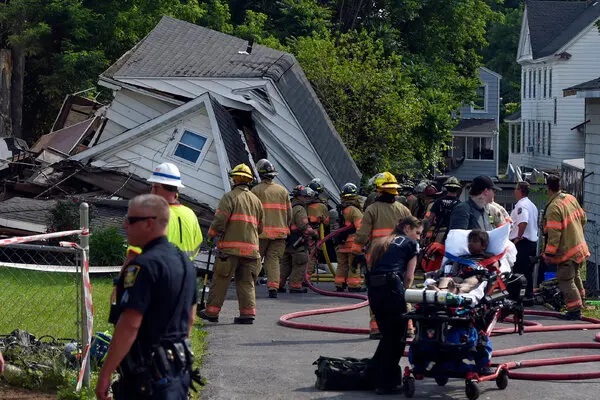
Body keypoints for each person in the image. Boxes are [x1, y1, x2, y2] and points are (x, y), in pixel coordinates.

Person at [96, 194, 198, 400]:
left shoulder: (143, 266)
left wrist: (105, 374)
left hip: (147, 377)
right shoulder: (185, 263)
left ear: (149, 224)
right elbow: (190, 318)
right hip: (177, 373)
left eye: (131, 220)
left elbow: (130, 325)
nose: (125, 226)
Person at [197, 164, 264, 324]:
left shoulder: (229, 197)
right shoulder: (256, 201)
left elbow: (220, 221)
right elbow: (261, 228)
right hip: (251, 251)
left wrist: (211, 235)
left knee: (221, 279)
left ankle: (212, 312)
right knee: (246, 282)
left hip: (230, 250)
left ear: (234, 178)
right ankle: (247, 314)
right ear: (249, 180)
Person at [366, 216, 422, 395]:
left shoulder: (381, 242)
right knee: (397, 337)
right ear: (407, 228)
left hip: (375, 291)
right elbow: (409, 276)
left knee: (387, 336)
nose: (419, 238)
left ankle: (374, 376)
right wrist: (406, 293)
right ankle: (386, 383)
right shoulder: (410, 244)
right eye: (417, 233)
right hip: (391, 289)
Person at [353, 171, 411, 339]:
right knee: (402, 292)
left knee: (377, 292)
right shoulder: (404, 210)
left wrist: (356, 252)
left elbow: (363, 235)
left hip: (377, 258)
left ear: (379, 190)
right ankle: (407, 327)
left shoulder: (372, 209)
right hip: (399, 257)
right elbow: (412, 234)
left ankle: (377, 328)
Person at [128, 162, 203, 261]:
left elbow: (134, 253)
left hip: (155, 271)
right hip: (183, 271)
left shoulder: (151, 214)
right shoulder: (190, 214)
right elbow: (198, 243)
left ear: (156, 188)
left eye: (153, 186)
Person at [542, 175, 589, 320]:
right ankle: (582, 302)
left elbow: (554, 234)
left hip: (567, 251)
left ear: (547, 187)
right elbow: (583, 219)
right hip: (578, 247)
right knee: (575, 276)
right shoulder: (570, 198)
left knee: (565, 280)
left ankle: (574, 310)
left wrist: (549, 254)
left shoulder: (553, 207)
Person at [251, 159, 292, 298]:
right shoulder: (283, 191)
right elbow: (289, 214)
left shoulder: (255, 191)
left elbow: (251, 212)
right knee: (273, 260)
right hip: (280, 233)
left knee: (256, 258)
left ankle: (248, 284)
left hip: (260, 233)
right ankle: (273, 288)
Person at [432, 230, 500, 294]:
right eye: (469, 241)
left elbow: (495, 264)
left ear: (483, 246)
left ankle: (456, 290)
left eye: (474, 241)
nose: (470, 243)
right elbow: (451, 268)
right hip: (460, 277)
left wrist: (493, 266)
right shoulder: (462, 257)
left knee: (469, 282)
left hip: (477, 276)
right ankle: (442, 292)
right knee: (446, 280)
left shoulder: (488, 256)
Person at [279, 185, 316, 293]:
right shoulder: (299, 209)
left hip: (287, 239)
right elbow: (303, 225)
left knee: (285, 264)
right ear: (299, 197)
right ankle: (295, 285)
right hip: (297, 240)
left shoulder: (288, 206)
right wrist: (313, 233)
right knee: (300, 261)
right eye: (304, 196)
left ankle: (278, 285)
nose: (306, 199)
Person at [509, 181, 539, 301]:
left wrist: (518, 237)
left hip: (523, 243)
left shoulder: (522, 205)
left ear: (520, 190)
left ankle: (518, 295)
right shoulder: (532, 205)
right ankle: (528, 294)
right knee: (527, 271)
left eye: (516, 189)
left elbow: (523, 222)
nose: (514, 191)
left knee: (519, 270)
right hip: (531, 242)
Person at [333, 183, 364, 292]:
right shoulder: (354, 210)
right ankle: (354, 286)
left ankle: (339, 284)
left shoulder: (341, 208)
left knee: (342, 265)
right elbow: (361, 227)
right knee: (354, 264)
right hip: (352, 242)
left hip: (341, 242)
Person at [423, 176, 462, 245]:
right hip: (453, 235)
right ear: (458, 189)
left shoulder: (438, 201)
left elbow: (430, 219)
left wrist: (425, 234)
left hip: (439, 232)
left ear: (446, 188)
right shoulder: (460, 204)